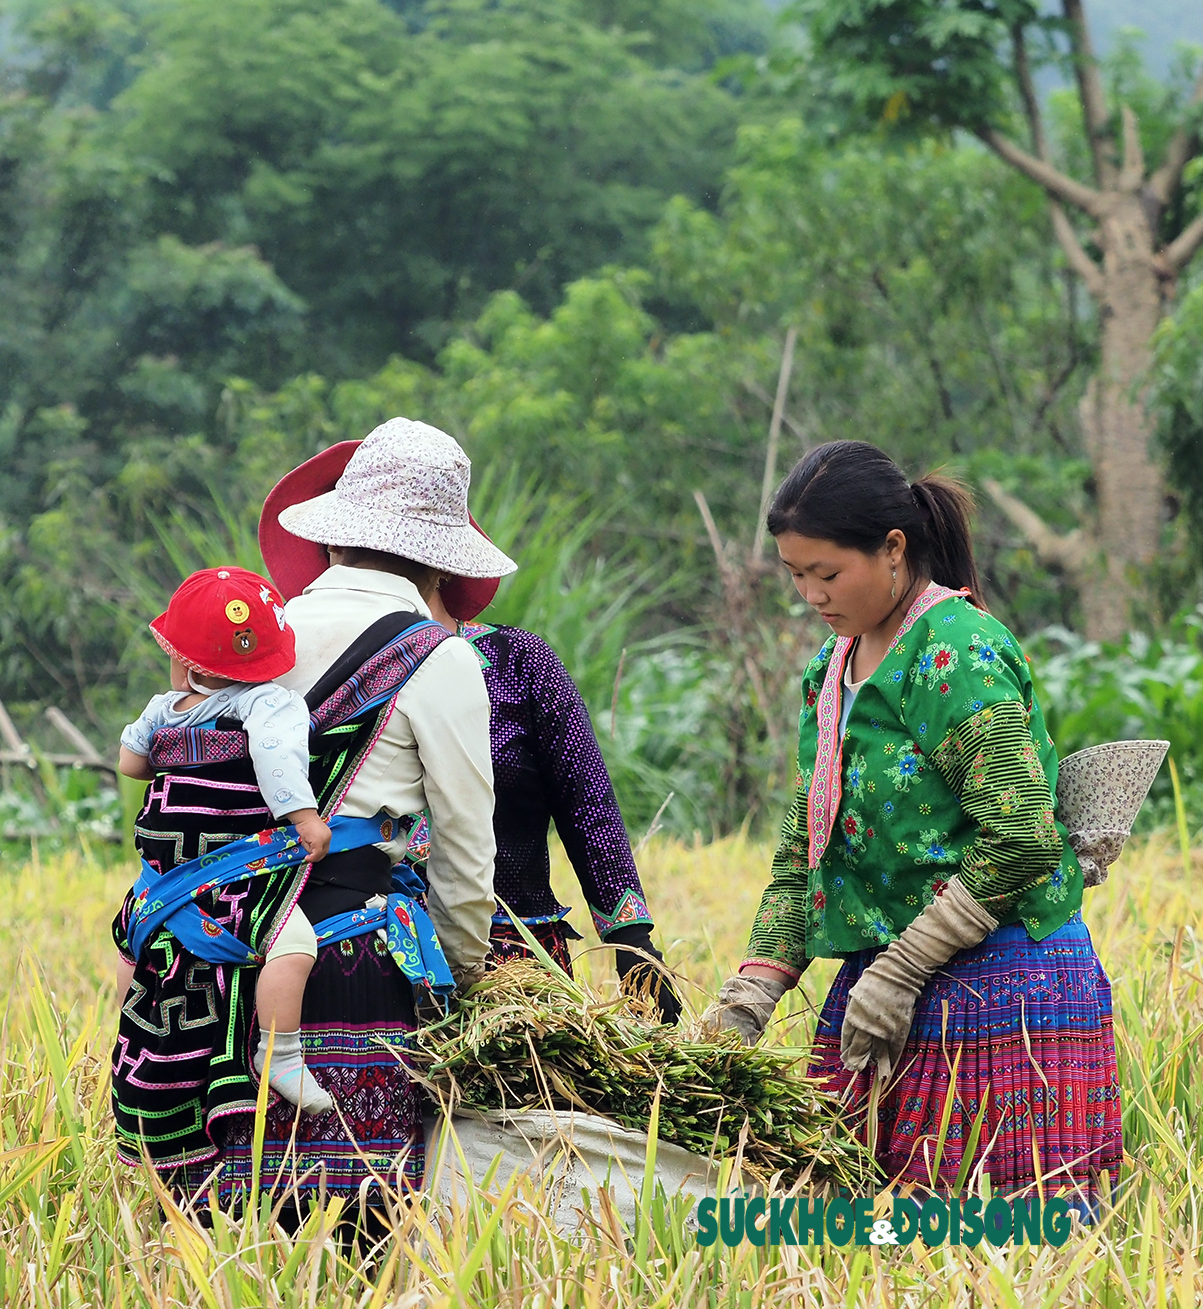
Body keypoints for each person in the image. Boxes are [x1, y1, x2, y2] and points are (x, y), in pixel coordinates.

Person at [701, 441, 1122, 1204]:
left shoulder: (956, 654)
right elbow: (807, 851)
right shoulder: (828, 673)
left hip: (1001, 983)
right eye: (795, 575)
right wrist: (750, 998)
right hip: (884, 990)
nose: (810, 595)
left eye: (826, 573)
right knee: (852, 1240)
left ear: (894, 548)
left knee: (997, 1251)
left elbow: (1022, 836)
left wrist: (900, 967)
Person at [265, 444, 682, 1023]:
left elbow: (588, 807)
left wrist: (632, 942)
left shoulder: (519, 663)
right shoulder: (287, 650)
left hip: (510, 958)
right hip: (343, 937)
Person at [210, 414, 507, 1225]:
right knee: (360, 1226)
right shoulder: (440, 659)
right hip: (355, 958)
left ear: (334, 535)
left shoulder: (250, 637)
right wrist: (465, 984)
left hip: (226, 951)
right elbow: (466, 853)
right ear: (439, 557)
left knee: (236, 1228)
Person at [113, 566, 336, 1113]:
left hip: (163, 877)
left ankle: (123, 1039)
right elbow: (278, 758)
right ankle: (279, 1053)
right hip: (232, 869)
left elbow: (130, 763)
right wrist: (304, 818)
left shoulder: (160, 709)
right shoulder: (267, 705)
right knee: (293, 946)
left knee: (134, 948)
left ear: (183, 660)